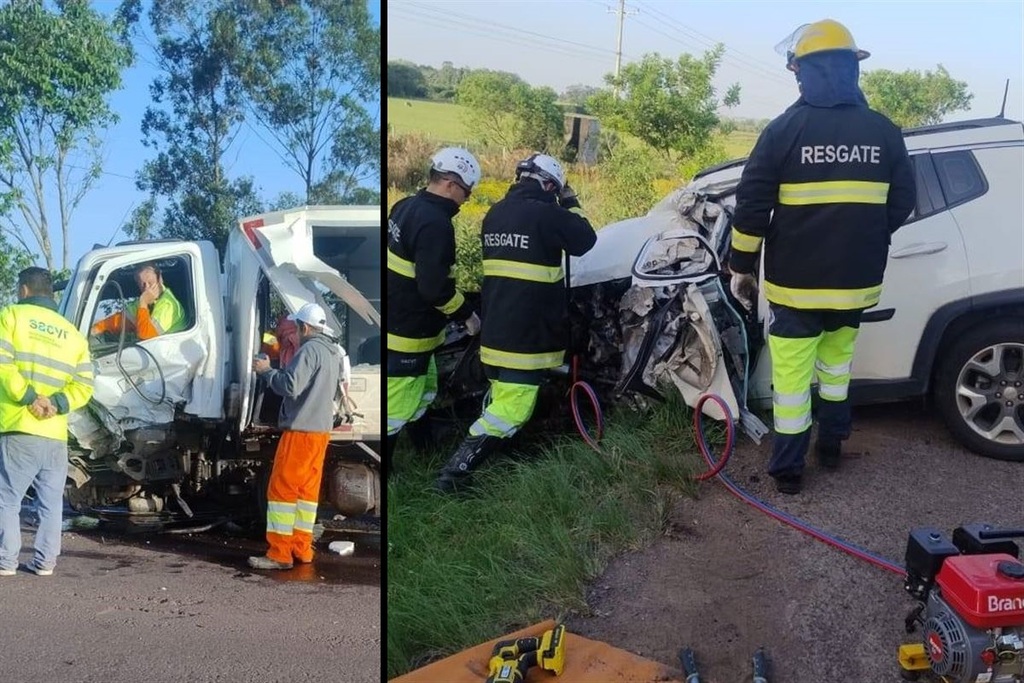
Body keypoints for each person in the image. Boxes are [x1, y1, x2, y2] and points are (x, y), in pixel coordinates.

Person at [728, 19, 916, 494]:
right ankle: (832, 445)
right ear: (853, 69)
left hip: (796, 284)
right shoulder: (885, 132)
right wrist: (866, 234)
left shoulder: (783, 131)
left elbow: (751, 208)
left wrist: (741, 267)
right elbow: (903, 204)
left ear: (801, 72)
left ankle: (790, 471)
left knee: (791, 382)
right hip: (856, 283)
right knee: (836, 368)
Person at [435, 153, 597, 493]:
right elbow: (585, 240)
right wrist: (571, 203)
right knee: (512, 409)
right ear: (550, 185)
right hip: (528, 337)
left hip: (496, 333)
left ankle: (504, 455)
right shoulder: (549, 213)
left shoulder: (495, 214)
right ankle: (454, 476)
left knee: (502, 399)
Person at [386, 147, 482, 476]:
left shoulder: (404, 206)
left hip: (401, 323)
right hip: (409, 334)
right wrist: (467, 314)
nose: (466, 200)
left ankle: (425, 448)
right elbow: (433, 288)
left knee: (423, 394)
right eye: (467, 192)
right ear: (451, 185)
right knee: (395, 409)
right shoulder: (436, 224)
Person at [0, 267, 94, 576]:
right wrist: (58, 402)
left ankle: (6, 561)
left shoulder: (11, 316)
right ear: (50, 293)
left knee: (7, 500)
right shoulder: (72, 333)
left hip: (19, 425)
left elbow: (3, 365)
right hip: (55, 434)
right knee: (51, 504)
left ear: (24, 290)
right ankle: (44, 562)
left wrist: (30, 397)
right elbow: (84, 385)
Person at [248, 302, 344, 570]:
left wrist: (267, 371)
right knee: (306, 493)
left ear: (303, 327)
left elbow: (290, 385)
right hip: (320, 432)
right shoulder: (333, 352)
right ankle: (301, 549)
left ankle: (279, 554)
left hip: (300, 430)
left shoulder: (309, 349)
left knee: (282, 491)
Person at [91, 262, 187, 340]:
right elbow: (120, 320)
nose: (147, 288)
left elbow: (147, 336)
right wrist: (97, 328)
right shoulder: (142, 303)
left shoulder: (168, 304)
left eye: (150, 283)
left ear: (160, 279)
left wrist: (143, 303)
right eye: (143, 284)